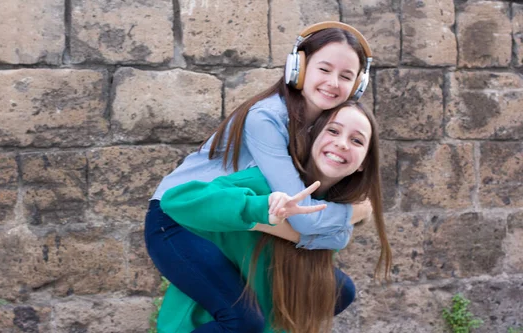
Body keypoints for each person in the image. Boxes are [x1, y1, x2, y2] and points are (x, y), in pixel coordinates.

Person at [144, 21, 374, 332]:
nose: (334, 83)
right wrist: (351, 213)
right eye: (324, 69)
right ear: (299, 67)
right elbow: (303, 216)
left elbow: (313, 226)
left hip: (235, 219)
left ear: (358, 85)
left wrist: (329, 231)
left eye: (346, 76)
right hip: (178, 219)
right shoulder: (266, 118)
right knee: (243, 321)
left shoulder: (324, 127)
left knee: (337, 292)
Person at [158, 101, 393, 333]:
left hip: (262, 324)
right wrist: (258, 208)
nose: (342, 144)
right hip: (205, 325)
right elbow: (175, 201)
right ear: (312, 137)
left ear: (364, 163)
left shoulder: (334, 215)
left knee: (338, 288)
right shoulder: (263, 184)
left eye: (357, 140)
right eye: (333, 130)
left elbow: (282, 294)